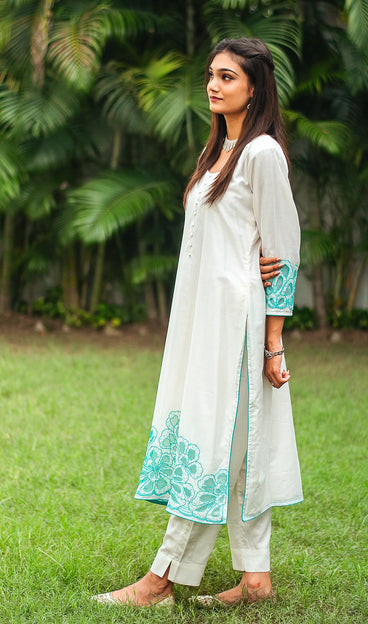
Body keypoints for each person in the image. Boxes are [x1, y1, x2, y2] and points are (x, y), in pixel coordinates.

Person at [92, 37, 302, 609]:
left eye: (227, 76)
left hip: (236, 326)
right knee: (235, 446)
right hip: (203, 321)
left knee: (211, 445)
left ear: (254, 86)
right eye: (211, 74)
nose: (213, 84)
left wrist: (273, 344)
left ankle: (161, 580)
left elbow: (285, 249)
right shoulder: (219, 152)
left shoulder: (260, 154)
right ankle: (255, 581)